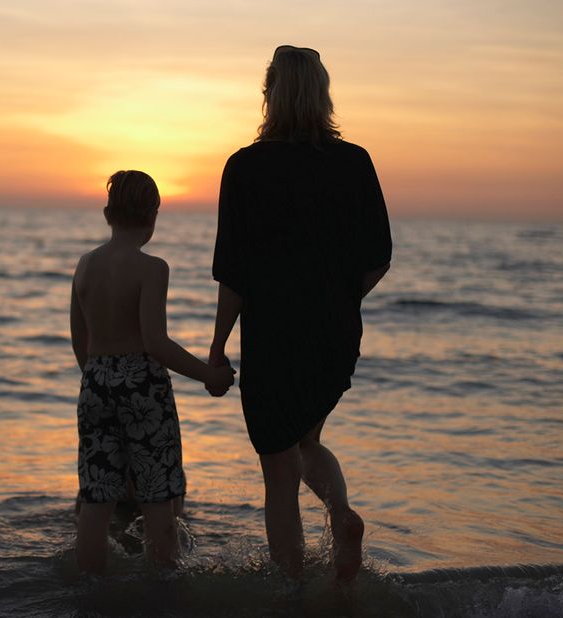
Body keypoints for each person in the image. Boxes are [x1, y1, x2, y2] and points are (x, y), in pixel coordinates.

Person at [208, 45, 392, 582]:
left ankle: (289, 594)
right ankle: (340, 515)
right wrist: (336, 300)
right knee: (305, 441)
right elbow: (378, 258)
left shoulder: (244, 168)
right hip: (334, 335)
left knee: (278, 470)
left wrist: (218, 348)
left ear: (270, 95)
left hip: (272, 337)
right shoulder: (355, 161)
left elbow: (233, 274)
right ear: (322, 93)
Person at [70, 170, 236, 574]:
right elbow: (155, 342)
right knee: (158, 496)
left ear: (108, 214)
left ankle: (87, 588)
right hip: (142, 386)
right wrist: (208, 376)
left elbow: (80, 340)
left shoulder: (85, 265)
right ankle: (162, 590)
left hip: (94, 381)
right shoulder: (152, 268)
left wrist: (100, 380)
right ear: (153, 215)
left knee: (96, 497)